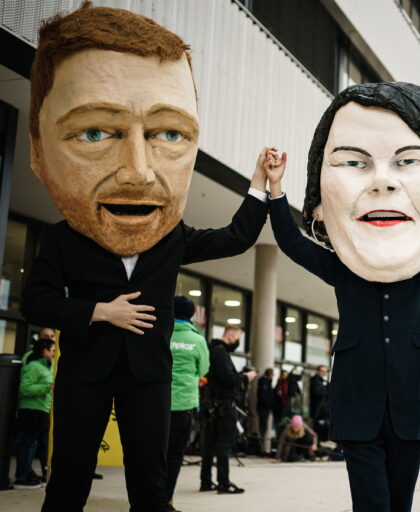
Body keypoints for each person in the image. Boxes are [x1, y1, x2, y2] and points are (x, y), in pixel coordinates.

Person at [21, 5, 271, 509]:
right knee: (67, 481)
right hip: (85, 374)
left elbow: (236, 238)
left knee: (150, 486)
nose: (136, 173)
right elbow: (36, 303)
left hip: (149, 377)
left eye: (168, 135)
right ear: (38, 153)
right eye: (96, 132)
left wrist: (261, 187)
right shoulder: (62, 239)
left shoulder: (171, 237)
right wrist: (99, 311)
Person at [265, 82, 420, 511]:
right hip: (358, 404)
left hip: (411, 401)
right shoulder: (341, 267)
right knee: (371, 503)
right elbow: (293, 244)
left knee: (399, 503)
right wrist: (277, 191)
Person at [200, 326, 256, 494]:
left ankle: (206, 481)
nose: (237, 342)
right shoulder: (220, 352)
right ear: (230, 336)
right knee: (224, 443)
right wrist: (245, 377)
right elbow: (228, 378)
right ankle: (223, 482)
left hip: (214, 404)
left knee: (210, 444)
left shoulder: (212, 350)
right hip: (224, 404)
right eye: (238, 338)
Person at [165, 296, 209, 510]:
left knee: (152, 453)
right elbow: (203, 370)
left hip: (157, 403)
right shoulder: (198, 340)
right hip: (183, 404)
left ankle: (147, 499)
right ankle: (166, 501)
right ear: (192, 315)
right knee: (174, 455)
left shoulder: (163, 332)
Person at [14, 338, 55, 489]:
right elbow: (24, 389)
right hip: (31, 410)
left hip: (44, 410)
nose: (54, 353)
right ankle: (22, 476)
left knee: (43, 445)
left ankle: (39, 475)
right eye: (52, 350)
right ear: (44, 351)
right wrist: (46, 388)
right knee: (28, 444)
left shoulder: (48, 366)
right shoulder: (34, 366)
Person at [256, 368, 275, 453]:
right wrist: (269, 405)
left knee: (264, 428)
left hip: (265, 408)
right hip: (263, 408)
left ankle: (262, 448)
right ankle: (261, 448)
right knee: (262, 428)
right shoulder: (264, 382)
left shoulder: (267, 382)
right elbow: (263, 396)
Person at [309, 365, 330, 441]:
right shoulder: (315, 380)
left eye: (325, 371)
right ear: (317, 371)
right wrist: (326, 390)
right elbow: (317, 392)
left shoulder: (320, 381)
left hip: (320, 410)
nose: (324, 373)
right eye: (322, 371)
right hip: (317, 410)